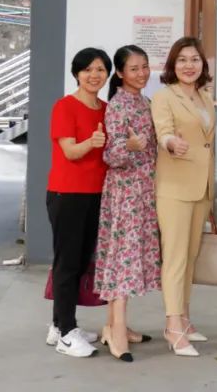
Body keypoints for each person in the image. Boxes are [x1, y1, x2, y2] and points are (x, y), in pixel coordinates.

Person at [94, 45, 162, 362]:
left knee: (129, 257)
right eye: (134, 68)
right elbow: (111, 155)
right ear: (120, 73)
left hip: (145, 190)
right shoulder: (118, 105)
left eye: (144, 66)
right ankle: (117, 331)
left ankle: (113, 324)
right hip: (125, 192)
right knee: (123, 258)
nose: (142, 73)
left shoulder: (145, 102)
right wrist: (130, 146)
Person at [152, 37, 216, 357]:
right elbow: (163, 131)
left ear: (202, 64)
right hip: (174, 188)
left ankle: (185, 318)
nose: (189, 65)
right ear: (172, 65)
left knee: (190, 256)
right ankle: (173, 325)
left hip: (201, 187)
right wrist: (170, 143)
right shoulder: (164, 96)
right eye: (182, 60)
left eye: (194, 59)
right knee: (175, 258)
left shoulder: (205, 97)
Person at [46, 47, 112, 358]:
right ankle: (67, 335)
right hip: (67, 194)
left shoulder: (106, 109)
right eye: (87, 69)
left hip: (96, 195)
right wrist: (92, 142)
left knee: (81, 262)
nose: (94, 75)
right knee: (67, 263)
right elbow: (70, 151)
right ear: (76, 73)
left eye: (100, 69)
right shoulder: (65, 106)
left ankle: (59, 325)